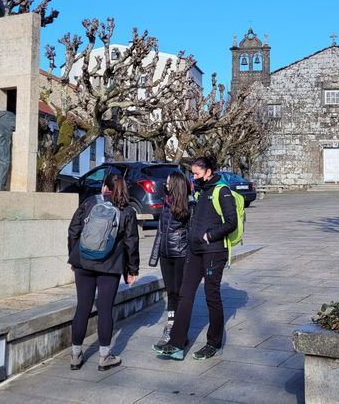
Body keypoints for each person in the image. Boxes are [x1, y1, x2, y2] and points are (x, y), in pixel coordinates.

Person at [154, 155, 237, 360]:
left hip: (214, 252)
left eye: (197, 173)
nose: (193, 176)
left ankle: (214, 343)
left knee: (212, 296)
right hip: (195, 251)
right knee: (185, 294)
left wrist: (211, 235)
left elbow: (231, 222)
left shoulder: (222, 191)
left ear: (208, 172)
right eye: (192, 173)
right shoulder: (200, 192)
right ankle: (176, 343)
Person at [67, 172, 140, 371]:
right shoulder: (127, 211)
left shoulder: (90, 202)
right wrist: (132, 270)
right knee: (105, 309)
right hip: (110, 266)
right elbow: (131, 243)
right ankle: (105, 356)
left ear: (104, 187)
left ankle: (75, 356)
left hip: (83, 262)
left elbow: (73, 230)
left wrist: (74, 257)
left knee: (83, 306)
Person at [147, 171, 191, 348]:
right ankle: (170, 328)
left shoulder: (190, 206)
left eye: (167, 182)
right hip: (166, 256)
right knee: (171, 294)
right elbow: (160, 231)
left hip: (181, 255)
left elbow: (191, 235)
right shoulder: (165, 203)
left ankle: (180, 333)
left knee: (180, 295)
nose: (165, 185)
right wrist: (154, 257)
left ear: (175, 184)